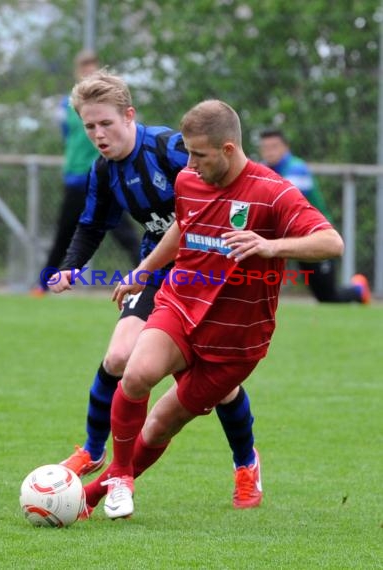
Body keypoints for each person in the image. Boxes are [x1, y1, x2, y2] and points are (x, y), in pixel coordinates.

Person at [80, 99, 344, 520]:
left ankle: (101, 490)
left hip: (237, 338)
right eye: (187, 152)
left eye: (199, 155)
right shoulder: (188, 178)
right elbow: (183, 226)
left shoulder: (272, 191)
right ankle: (112, 486)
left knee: (162, 422)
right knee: (136, 373)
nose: (190, 164)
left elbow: (332, 242)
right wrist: (144, 270)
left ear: (227, 149)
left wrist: (271, 246)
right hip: (180, 302)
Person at [49, 71, 260, 509]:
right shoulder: (105, 171)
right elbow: (90, 225)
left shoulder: (169, 148)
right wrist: (70, 268)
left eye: (106, 123)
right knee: (119, 357)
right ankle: (93, 450)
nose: (98, 134)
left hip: (205, 273)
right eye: (89, 126)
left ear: (130, 115)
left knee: (218, 387)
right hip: (157, 270)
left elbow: (207, 202)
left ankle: (246, 465)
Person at [30, 50, 140, 296]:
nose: (97, 131)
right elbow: (67, 136)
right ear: (77, 74)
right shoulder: (68, 107)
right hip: (77, 177)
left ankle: (146, 276)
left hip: (105, 179)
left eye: (93, 69)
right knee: (66, 232)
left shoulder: (109, 109)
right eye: (84, 69)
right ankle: (43, 284)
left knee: (126, 234)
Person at [259, 128, 370, 303]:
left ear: (286, 148)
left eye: (274, 146)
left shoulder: (296, 168)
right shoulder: (263, 170)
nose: (269, 152)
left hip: (314, 235)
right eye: (265, 148)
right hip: (288, 237)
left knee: (327, 297)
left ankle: (358, 289)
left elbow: (282, 199)